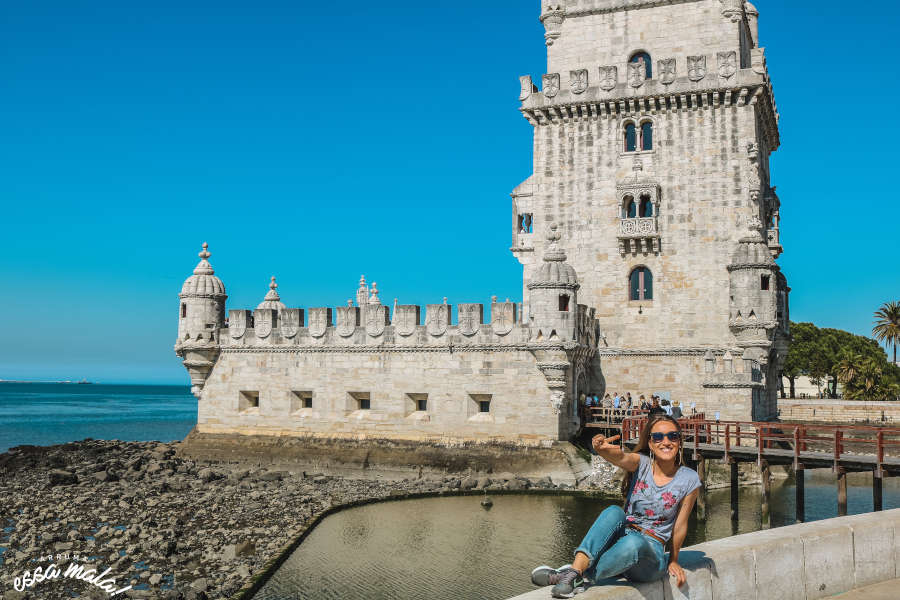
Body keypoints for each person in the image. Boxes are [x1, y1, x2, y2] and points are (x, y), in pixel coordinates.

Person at [530, 415, 701, 598]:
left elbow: (680, 525)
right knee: (614, 512)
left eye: (672, 436)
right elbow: (620, 457)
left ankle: (572, 573)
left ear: (679, 441)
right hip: (622, 538)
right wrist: (601, 448)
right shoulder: (641, 464)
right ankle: (575, 573)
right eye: (658, 437)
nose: (665, 442)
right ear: (650, 444)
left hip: (651, 555)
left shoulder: (689, 479)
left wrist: (673, 560)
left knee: (634, 543)